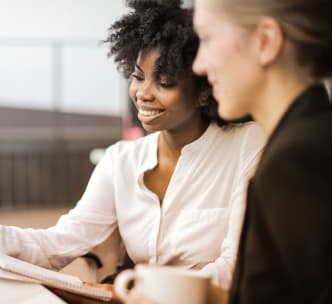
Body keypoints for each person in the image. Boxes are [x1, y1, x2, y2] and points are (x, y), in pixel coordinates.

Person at [0, 0, 264, 302]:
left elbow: (234, 268)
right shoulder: (121, 160)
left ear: (204, 89)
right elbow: (57, 245)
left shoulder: (247, 146)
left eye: (165, 82)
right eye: (138, 77)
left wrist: (135, 291)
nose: (143, 93)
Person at [125, 0, 332, 303]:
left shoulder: (296, 159)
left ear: (265, 41)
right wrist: (206, 295)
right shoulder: (306, 136)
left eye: (207, 39)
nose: (199, 65)